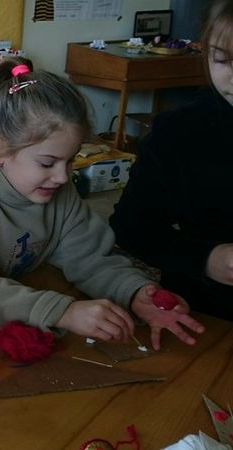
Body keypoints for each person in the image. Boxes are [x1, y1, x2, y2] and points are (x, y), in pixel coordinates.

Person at [0, 56, 204, 350]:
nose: (62, 177)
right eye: (47, 163)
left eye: (70, 160)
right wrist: (63, 311)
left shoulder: (56, 190)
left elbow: (89, 257)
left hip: (23, 313)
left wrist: (134, 292)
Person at [110, 0, 233, 321]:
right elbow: (131, 226)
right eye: (223, 59)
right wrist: (207, 258)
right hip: (206, 306)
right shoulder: (179, 131)